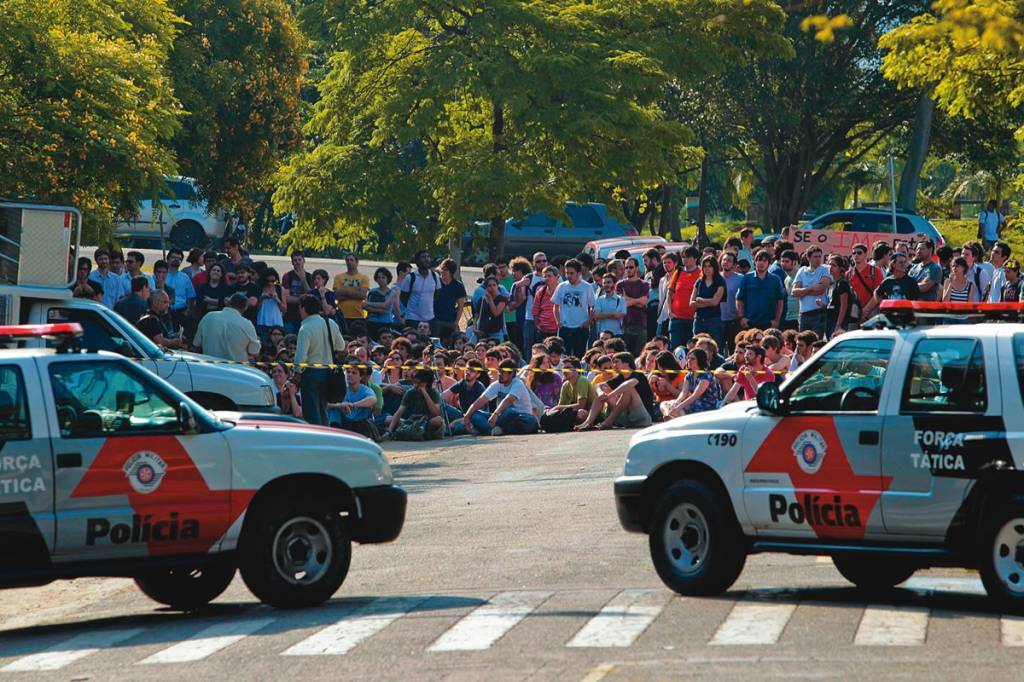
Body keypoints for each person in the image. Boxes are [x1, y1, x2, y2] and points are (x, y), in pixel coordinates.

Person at [293, 294, 345, 426]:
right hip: (328, 372)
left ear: (303, 308)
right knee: (323, 410)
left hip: (311, 372)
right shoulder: (330, 323)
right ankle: (325, 434)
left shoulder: (305, 328)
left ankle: (315, 436)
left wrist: (296, 373)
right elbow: (341, 346)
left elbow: (300, 357)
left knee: (311, 411)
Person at [576, 352, 655, 431]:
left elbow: (629, 383)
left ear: (626, 363)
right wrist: (601, 393)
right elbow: (599, 385)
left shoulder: (638, 374)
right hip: (626, 416)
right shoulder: (620, 377)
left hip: (642, 418)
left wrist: (609, 395)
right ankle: (588, 422)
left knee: (629, 389)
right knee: (603, 390)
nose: (613, 365)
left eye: (616, 362)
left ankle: (608, 422)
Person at [461, 359, 539, 436]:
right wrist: (467, 416)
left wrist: (495, 414)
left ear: (511, 373)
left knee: (512, 412)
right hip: (500, 418)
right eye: (499, 371)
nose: (499, 374)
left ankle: (492, 429)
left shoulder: (518, 384)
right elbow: (481, 400)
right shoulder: (496, 384)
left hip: (519, 417)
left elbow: (508, 400)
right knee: (474, 414)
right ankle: (495, 430)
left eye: (503, 372)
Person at [192, 293, 261, 362]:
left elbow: (196, 344)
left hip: (209, 365)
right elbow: (254, 352)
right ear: (245, 308)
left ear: (228, 303)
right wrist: (258, 341)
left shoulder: (209, 317)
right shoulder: (247, 324)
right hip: (235, 367)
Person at [552, 258, 595, 358]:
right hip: (565, 327)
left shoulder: (587, 287)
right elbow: (556, 305)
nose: (569, 276)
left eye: (572, 273)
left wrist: (588, 322)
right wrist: (558, 322)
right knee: (563, 356)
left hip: (581, 328)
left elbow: (592, 306)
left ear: (578, 273)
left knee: (579, 356)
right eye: (567, 273)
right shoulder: (561, 286)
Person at [387, 368, 444, 439]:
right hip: (415, 420)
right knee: (391, 420)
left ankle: (420, 432)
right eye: (414, 382)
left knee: (438, 420)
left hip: (428, 421)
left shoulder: (434, 393)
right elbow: (399, 412)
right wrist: (389, 431)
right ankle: (416, 432)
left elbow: (435, 413)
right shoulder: (411, 392)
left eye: (419, 383)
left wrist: (425, 393)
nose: (416, 385)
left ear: (427, 383)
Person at [737, 249, 784, 333]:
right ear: (755, 262)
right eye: (759, 260)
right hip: (750, 322)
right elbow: (739, 299)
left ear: (768, 263)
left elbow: (780, 300)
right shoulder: (746, 278)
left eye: (764, 261)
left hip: (769, 323)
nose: (761, 263)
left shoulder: (775, 280)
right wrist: (741, 318)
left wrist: (777, 320)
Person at [663, 349, 720, 418]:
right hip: (695, 403)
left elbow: (695, 395)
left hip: (707, 405)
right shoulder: (689, 376)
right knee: (665, 404)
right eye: (688, 358)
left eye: (693, 359)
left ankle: (679, 418)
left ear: (700, 360)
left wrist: (678, 407)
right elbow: (683, 393)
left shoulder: (706, 376)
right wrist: (676, 403)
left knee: (681, 407)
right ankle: (671, 416)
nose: (689, 361)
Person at [791, 246, 831, 337]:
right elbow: (794, 292)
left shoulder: (824, 269)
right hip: (804, 314)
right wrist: (811, 289)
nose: (818, 259)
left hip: (819, 313)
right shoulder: (802, 270)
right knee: (803, 340)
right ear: (808, 257)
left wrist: (803, 291)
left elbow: (821, 289)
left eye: (819, 256)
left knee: (816, 341)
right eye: (815, 257)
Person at [331, 362, 379, 437]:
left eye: (354, 373)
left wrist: (353, 405)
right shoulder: (342, 389)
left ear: (361, 377)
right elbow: (326, 404)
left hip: (359, 425)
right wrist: (340, 405)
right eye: (348, 372)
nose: (350, 375)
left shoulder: (365, 390)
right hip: (344, 423)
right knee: (334, 410)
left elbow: (373, 400)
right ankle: (334, 433)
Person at [864, 251, 920, 315]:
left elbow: (918, 299)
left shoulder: (911, 281)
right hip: (890, 316)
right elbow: (876, 293)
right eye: (901, 262)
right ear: (893, 265)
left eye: (905, 262)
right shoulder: (887, 281)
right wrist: (882, 304)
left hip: (906, 316)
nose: (904, 265)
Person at [690, 254, 727, 351]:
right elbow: (691, 303)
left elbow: (715, 302)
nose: (707, 269)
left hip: (714, 320)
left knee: (715, 349)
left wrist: (700, 300)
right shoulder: (699, 282)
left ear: (714, 267)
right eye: (705, 266)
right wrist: (707, 302)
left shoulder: (720, 281)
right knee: (697, 348)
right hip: (699, 319)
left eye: (710, 266)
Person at [667, 247, 700, 350]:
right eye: (683, 257)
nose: (684, 259)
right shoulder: (678, 272)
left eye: (688, 257)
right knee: (675, 350)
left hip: (693, 320)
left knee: (692, 351)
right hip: (677, 319)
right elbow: (669, 293)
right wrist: (670, 311)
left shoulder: (701, 273)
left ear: (695, 258)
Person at [616, 257, 650, 356]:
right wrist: (638, 300)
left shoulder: (644, 284)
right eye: (626, 267)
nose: (628, 270)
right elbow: (622, 304)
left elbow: (644, 302)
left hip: (640, 323)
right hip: (625, 324)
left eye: (631, 267)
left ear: (637, 268)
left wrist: (628, 299)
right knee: (626, 355)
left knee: (640, 354)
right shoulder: (620, 284)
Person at [399, 250, 440, 329]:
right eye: (423, 257)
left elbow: (437, 295)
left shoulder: (435, 276)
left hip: (430, 318)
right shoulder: (410, 278)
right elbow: (403, 297)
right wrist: (414, 307)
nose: (427, 259)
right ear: (417, 261)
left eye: (428, 257)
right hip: (412, 318)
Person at [364, 267, 402, 341]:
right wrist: (380, 309)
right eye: (379, 277)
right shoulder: (372, 292)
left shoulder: (392, 292)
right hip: (372, 322)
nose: (381, 279)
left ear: (388, 279)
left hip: (386, 323)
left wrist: (369, 304)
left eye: (383, 277)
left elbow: (386, 306)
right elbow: (365, 306)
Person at [435, 258, 467, 345]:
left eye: (445, 269)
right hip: (435, 319)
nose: (442, 271)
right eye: (442, 269)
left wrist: (456, 322)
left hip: (450, 321)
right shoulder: (435, 282)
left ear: (451, 271)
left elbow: (461, 305)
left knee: (449, 344)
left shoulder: (458, 285)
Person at [849, 244, 885, 321]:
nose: (856, 255)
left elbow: (879, 293)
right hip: (853, 313)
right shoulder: (848, 273)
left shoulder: (875, 271)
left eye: (859, 253)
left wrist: (865, 310)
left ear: (865, 254)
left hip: (872, 312)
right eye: (854, 253)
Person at [333, 253, 369, 329]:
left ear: (357, 262)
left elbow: (362, 295)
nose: (349, 262)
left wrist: (345, 292)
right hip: (342, 315)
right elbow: (336, 295)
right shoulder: (338, 277)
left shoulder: (363, 278)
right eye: (347, 260)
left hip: (358, 315)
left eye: (352, 260)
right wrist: (356, 293)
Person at [282, 250, 314, 334]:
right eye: (295, 260)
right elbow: (287, 298)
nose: (297, 262)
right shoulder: (287, 276)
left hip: (305, 315)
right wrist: (303, 298)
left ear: (304, 260)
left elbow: (311, 296)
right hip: (290, 315)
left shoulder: (309, 277)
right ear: (292, 262)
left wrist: (303, 279)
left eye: (299, 260)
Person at [164, 248, 197, 326]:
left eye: (179, 258)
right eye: (173, 257)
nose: (176, 260)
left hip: (181, 312)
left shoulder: (185, 277)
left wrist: (187, 311)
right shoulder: (161, 275)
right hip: (164, 311)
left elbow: (191, 297)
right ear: (167, 259)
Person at [824, 255, 853, 340]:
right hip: (829, 319)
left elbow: (844, 305)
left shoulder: (842, 283)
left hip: (838, 321)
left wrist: (838, 324)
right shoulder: (832, 284)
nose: (830, 267)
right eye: (829, 265)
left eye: (834, 265)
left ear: (840, 268)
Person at [256, 267, 286, 342]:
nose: (270, 283)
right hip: (262, 321)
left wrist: (277, 299)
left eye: (273, 281)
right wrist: (262, 299)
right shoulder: (259, 288)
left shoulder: (280, 289)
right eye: (268, 281)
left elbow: (284, 309)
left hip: (276, 322)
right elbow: (256, 309)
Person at [531, 265, 561, 341]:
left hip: (558, 330)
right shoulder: (541, 292)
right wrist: (537, 326)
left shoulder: (562, 291)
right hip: (542, 331)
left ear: (557, 277)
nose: (546, 278)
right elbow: (535, 310)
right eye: (545, 276)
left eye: (549, 276)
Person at [474, 276, 507, 342]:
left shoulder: (502, 299)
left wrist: (490, 299)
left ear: (497, 286)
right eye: (489, 286)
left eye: (494, 285)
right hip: (482, 332)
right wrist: (475, 328)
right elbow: (476, 316)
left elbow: (496, 313)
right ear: (486, 288)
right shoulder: (482, 300)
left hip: (496, 332)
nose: (492, 288)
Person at [593, 273, 627, 337]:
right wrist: (613, 314)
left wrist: (603, 314)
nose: (606, 285)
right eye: (604, 283)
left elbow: (619, 315)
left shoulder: (621, 300)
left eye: (609, 282)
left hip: (617, 334)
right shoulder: (599, 300)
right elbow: (597, 315)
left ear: (614, 284)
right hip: (603, 335)